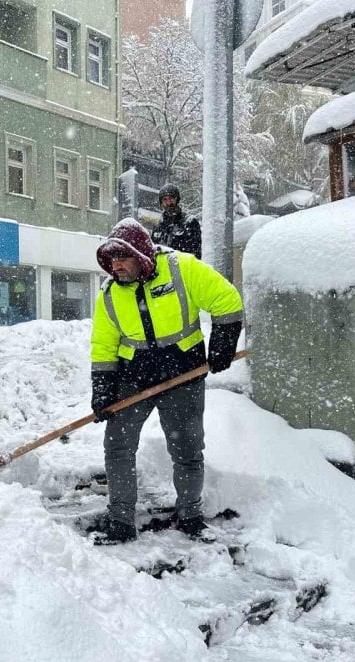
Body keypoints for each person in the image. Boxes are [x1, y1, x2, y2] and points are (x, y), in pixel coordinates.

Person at [88, 219, 243, 544]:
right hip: (134, 380)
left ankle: (190, 515)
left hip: (182, 375)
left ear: (142, 255)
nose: (116, 266)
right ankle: (121, 521)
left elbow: (226, 299)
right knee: (117, 447)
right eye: (111, 260)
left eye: (123, 258)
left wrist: (222, 344)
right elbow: (104, 344)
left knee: (186, 449)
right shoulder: (110, 295)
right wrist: (103, 389)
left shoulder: (181, 269)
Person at [151, 183, 202, 259]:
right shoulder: (158, 225)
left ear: (177, 199)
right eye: (165, 199)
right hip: (161, 270)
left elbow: (194, 255)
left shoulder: (189, 222)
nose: (168, 203)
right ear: (161, 203)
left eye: (171, 198)